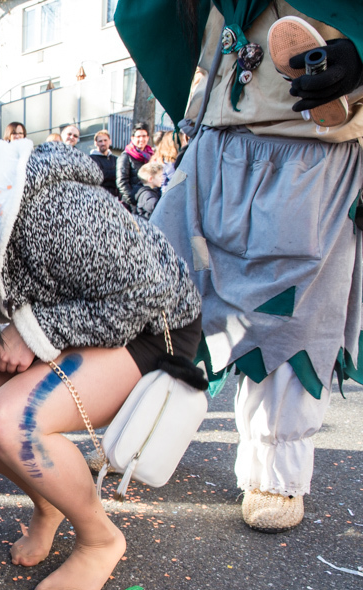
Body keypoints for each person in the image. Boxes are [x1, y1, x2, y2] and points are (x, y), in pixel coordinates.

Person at [117, 0, 363, 532]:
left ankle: (274, 470)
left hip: (309, 146)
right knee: (158, 286)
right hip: (213, 140)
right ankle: (133, 428)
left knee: (287, 316)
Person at [0, 139, 203, 590]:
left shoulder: (53, 213)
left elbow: (146, 295)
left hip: (149, 326)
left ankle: (100, 538)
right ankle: (50, 501)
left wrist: (36, 332)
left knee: (10, 421)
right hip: (68, 316)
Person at [116, 122, 152, 210]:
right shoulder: (126, 156)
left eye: (144, 136)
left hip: (148, 200)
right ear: (132, 138)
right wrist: (133, 200)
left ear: (148, 138)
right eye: (138, 136)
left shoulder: (151, 155)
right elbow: (121, 182)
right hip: (133, 204)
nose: (141, 139)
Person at [89, 129, 119, 198]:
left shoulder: (116, 159)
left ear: (110, 141)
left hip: (116, 196)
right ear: (96, 143)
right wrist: (116, 173)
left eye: (105, 140)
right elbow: (99, 175)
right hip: (99, 195)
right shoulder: (91, 159)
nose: (103, 143)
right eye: (100, 141)